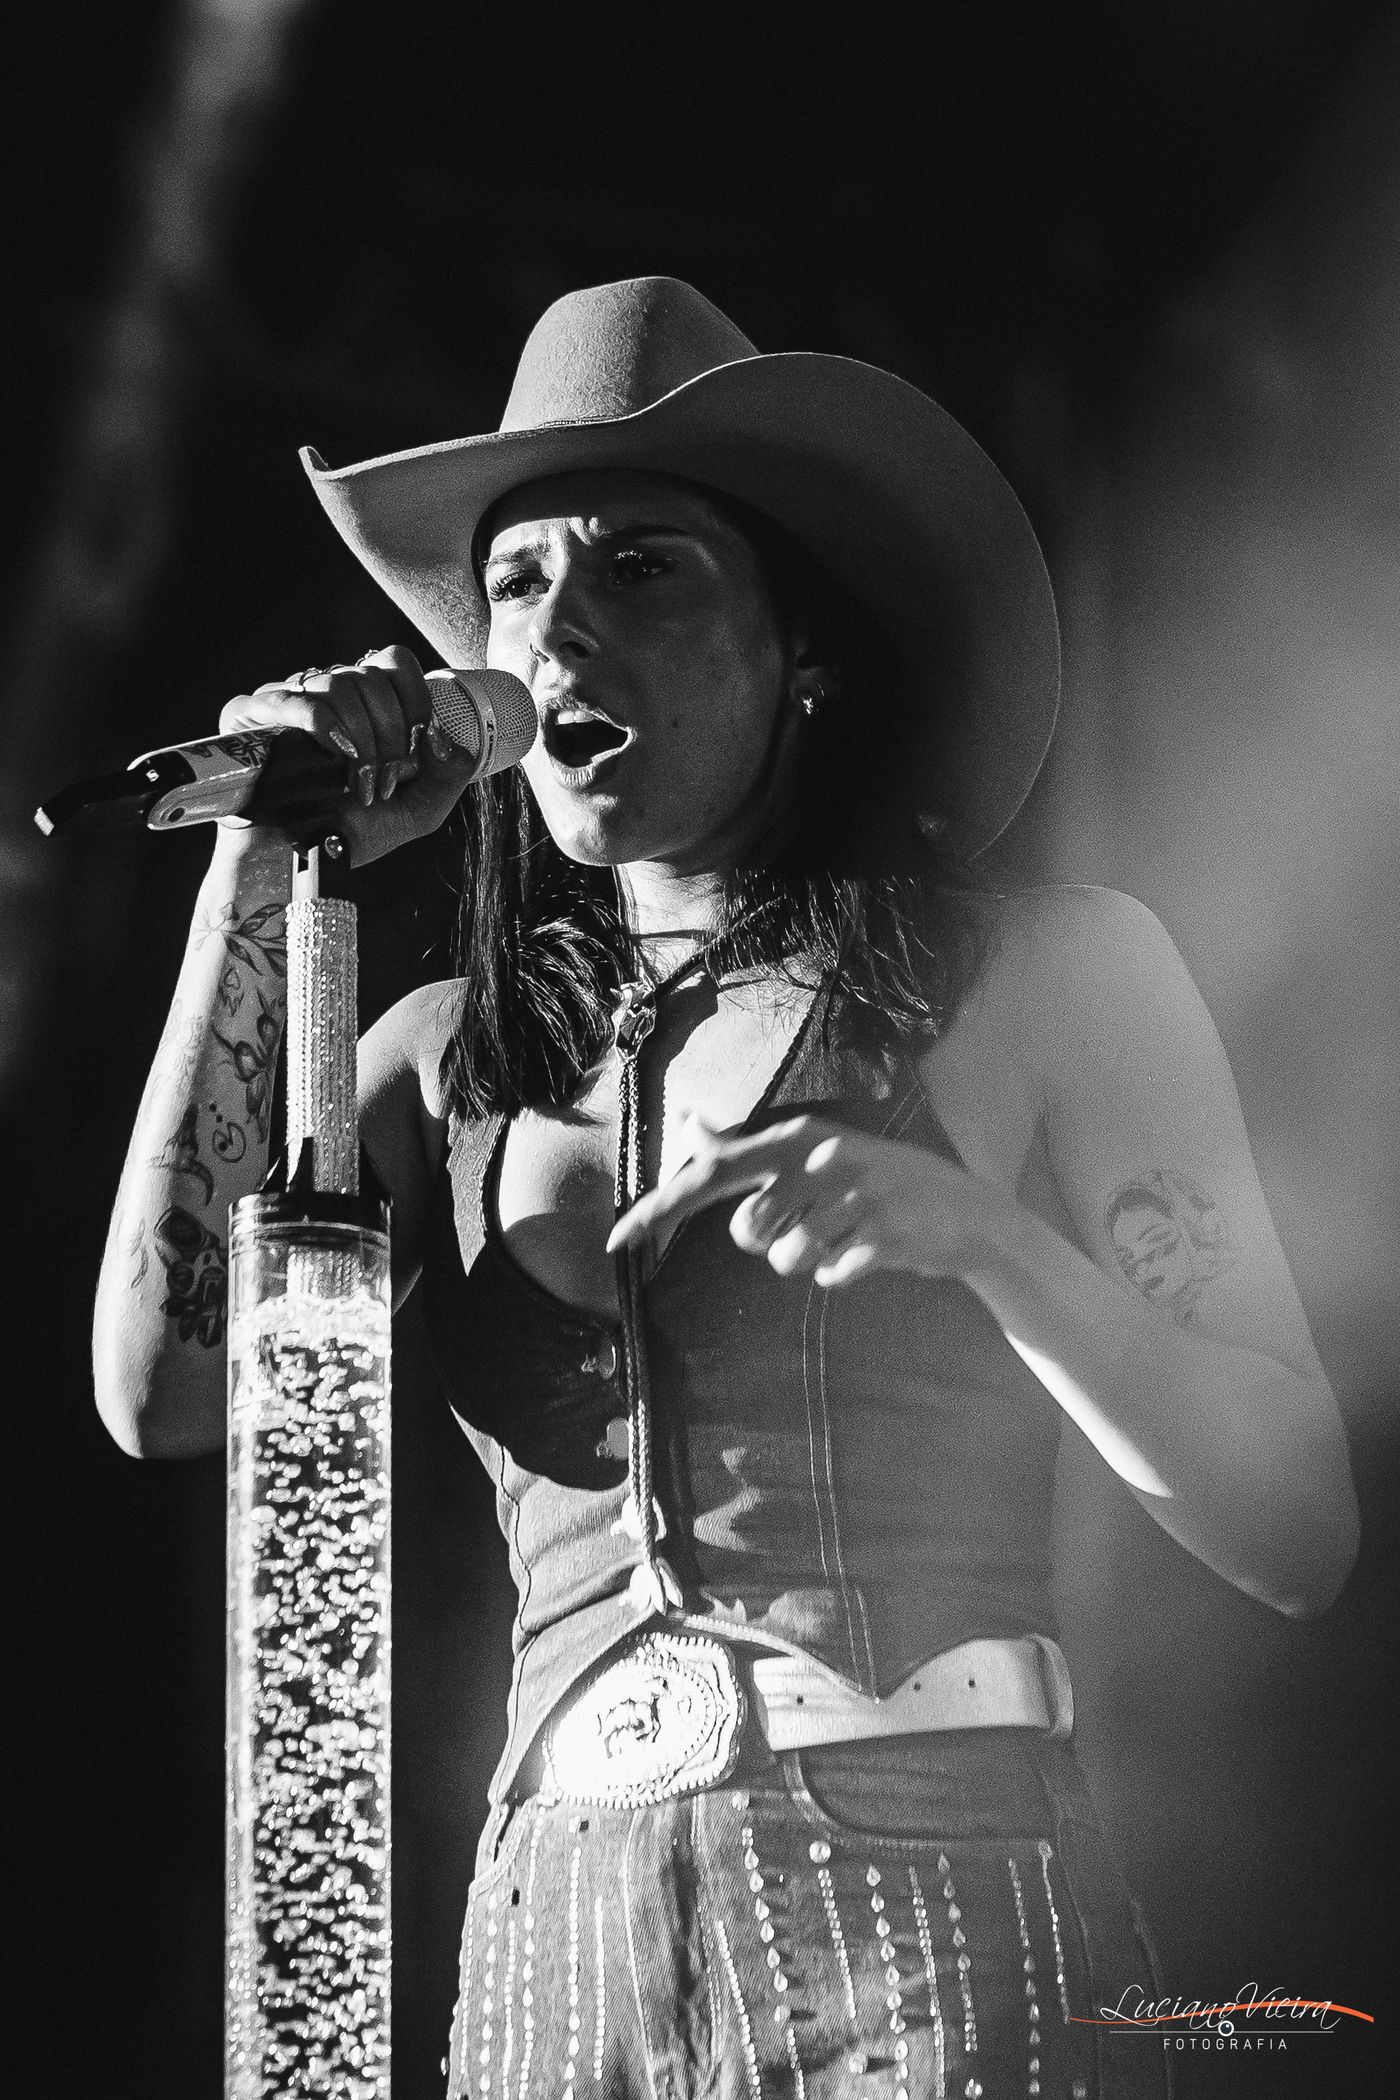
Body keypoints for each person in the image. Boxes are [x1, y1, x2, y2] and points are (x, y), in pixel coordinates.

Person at [94, 277, 1358, 2099]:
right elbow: (166, 1385)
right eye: (517, 584)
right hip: (553, 1942)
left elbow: (1294, 1521)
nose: (559, 630)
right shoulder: (436, 1059)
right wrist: (259, 866)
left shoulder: (1053, 972)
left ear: (803, 649)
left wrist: (994, 1248)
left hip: (922, 1899)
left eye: (643, 568)